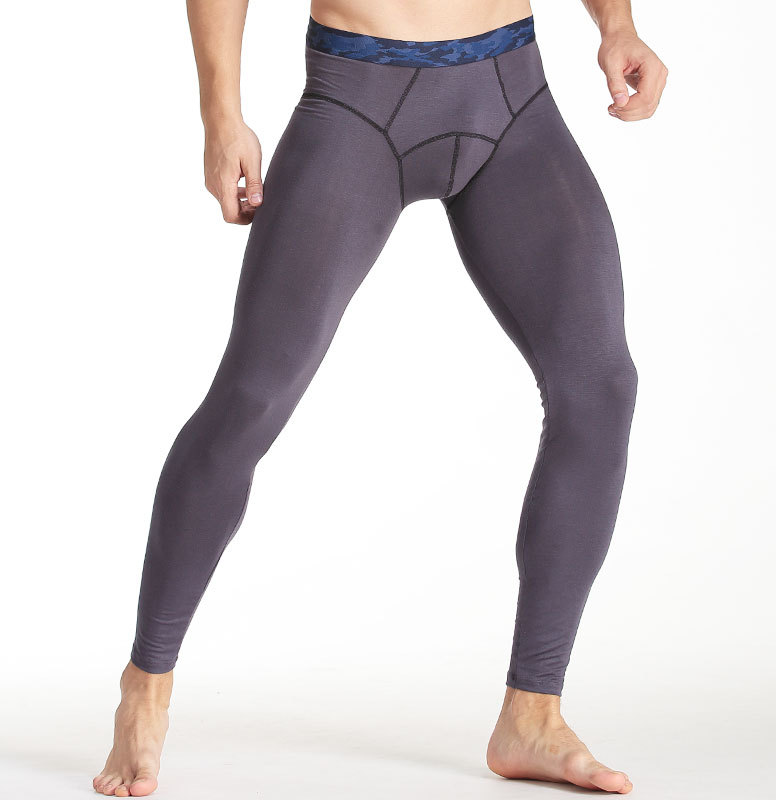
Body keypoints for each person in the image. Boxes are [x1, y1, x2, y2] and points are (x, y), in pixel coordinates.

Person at [92, 0, 667, 795]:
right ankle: (146, 686)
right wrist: (221, 114)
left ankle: (533, 713)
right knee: (253, 396)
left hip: (511, 94)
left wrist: (617, 25)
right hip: (357, 100)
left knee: (600, 386)